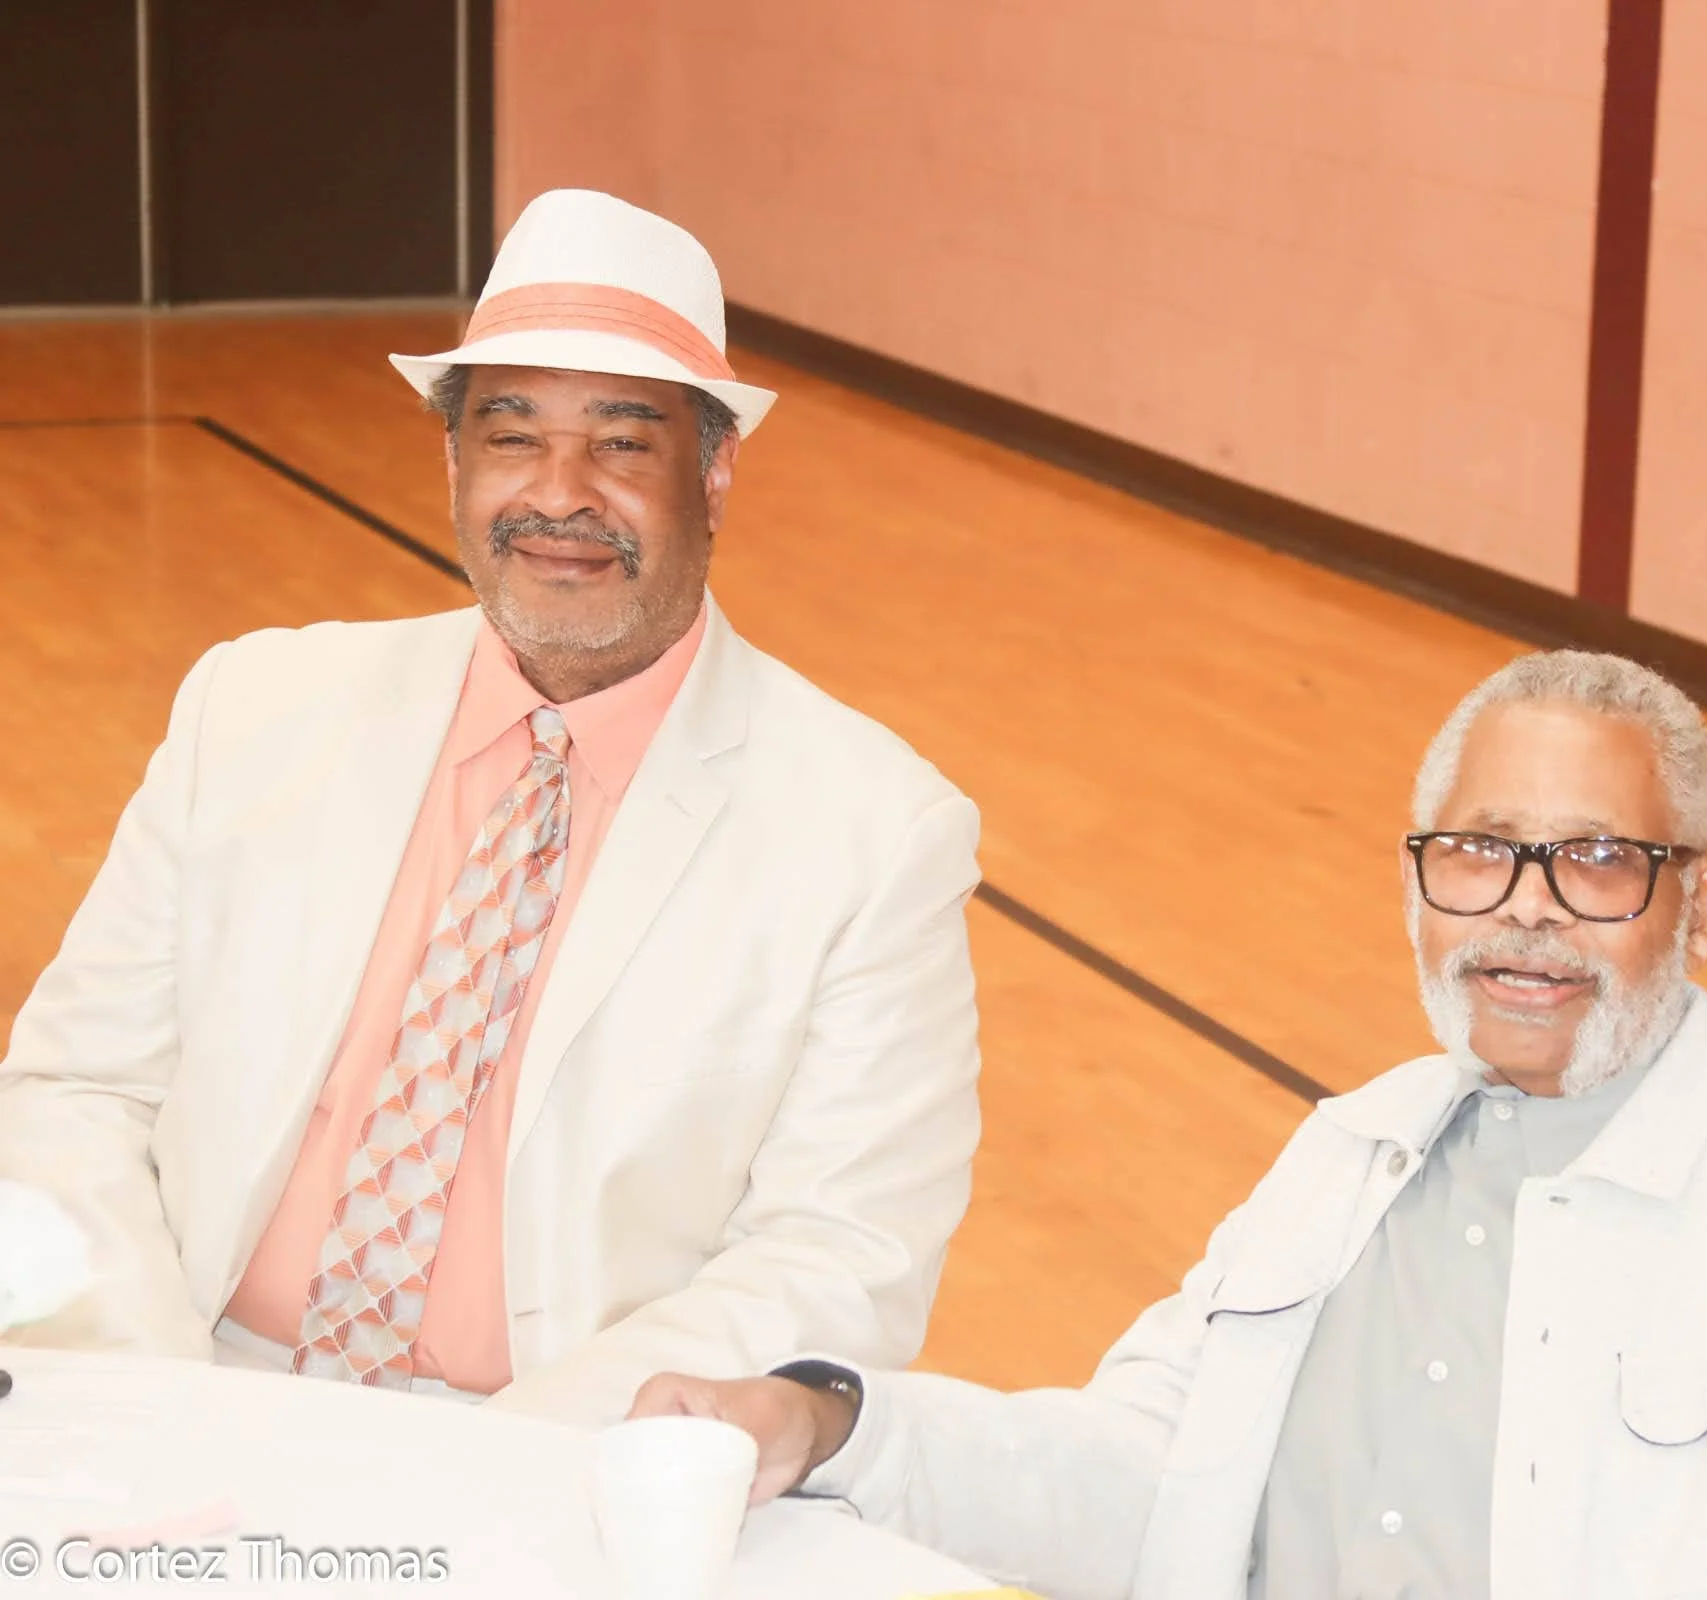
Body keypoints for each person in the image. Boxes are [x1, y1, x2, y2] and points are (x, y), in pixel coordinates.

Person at [634, 651, 1707, 1600]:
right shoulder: (1350, 1159)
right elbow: (1142, 1481)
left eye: (1600, 860)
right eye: (1480, 850)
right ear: (1421, 887)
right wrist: (827, 1422)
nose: (1526, 908)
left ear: (1699, 908)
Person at [0, 189, 983, 1427]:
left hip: (561, 1461)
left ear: (717, 470)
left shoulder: (873, 834)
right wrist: (167, 1408)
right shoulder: (251, 710)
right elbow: (74, 1094)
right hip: (191, 1384)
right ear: (455, 461)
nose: (560, 495)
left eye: (624, 443)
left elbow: (841, 1253)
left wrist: (494, 1491)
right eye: (513, 435)